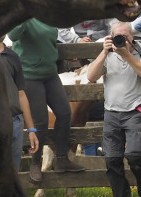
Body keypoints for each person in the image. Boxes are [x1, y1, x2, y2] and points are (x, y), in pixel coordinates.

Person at [86, 20, 141, 197]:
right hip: (112, 112)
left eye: (125, 36)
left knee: (134, 155)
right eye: (117, 36)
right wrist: (104, 52)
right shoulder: (107, 53)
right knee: (112, 159)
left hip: (136, 109)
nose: (121, 40)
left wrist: (126, 53)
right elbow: (91, 76)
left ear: (132, 36)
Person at [8, 17, 85, 182]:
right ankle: (36, 163)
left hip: (50, 73)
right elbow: (13, 35)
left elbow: (51, 38)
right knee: (40, 122)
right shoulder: (26, 18)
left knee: (65, 114)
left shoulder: (47, 16)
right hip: (29, 75)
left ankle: (62, 158)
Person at [0, 38, 40, 170]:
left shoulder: (13, 56)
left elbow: (21, 94)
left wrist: (31, 129)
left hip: (15, 121)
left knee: (13, 171)